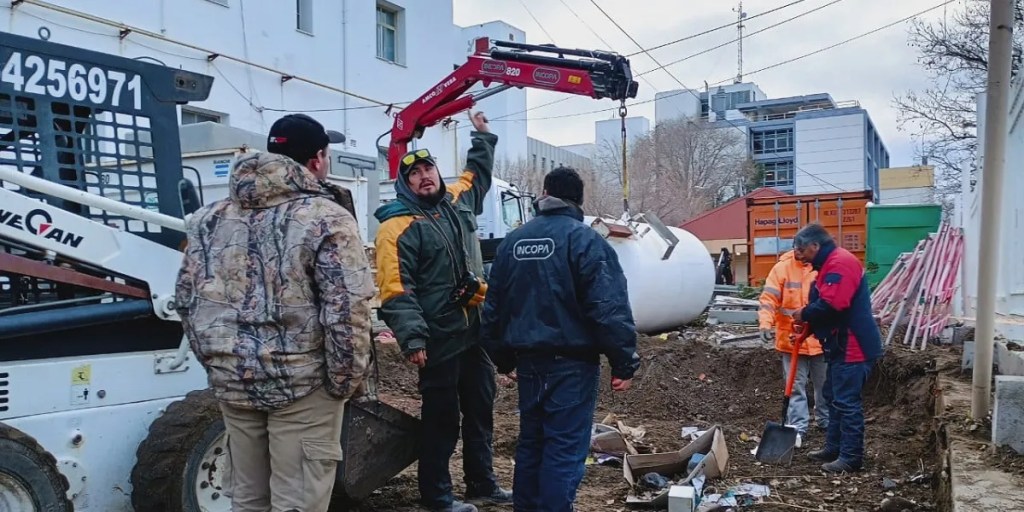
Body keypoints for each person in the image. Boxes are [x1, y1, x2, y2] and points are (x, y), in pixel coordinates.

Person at [174, 113, 374, 511]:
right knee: (297, 502)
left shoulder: (207, 219)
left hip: (235, 384)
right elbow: (346, 309)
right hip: (304, 387)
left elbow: (186, 299)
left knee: (247, 500)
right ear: (318, 159)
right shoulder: (327, 217)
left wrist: (219, 364)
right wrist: (344, 383)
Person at [373, 111, 512, 512]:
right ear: (405, 183)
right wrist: (413, 337)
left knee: (481, 411)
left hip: (473, 331)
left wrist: (483, 136)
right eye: (414, 174)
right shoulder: (396, 227)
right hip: (437, 340)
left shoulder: (455, 201)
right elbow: (396, 288)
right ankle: (437, 497)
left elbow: (477, 174)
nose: (424, 176)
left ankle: (482, 483)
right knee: (441, 420)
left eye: (428, 168)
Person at [481, 166, 641, 512]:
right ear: (578, 200)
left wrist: (503, 359)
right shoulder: (585, 241)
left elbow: (493, 309)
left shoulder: (513, 242)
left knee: (532, 443)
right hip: (572, 365)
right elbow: (608, 307)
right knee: (564, 448)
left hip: (529, 364)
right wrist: (623, 363)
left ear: (544, 194)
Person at [791, 223, 883, 473]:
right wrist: (807, 330)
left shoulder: (840, 263)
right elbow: (827, 308)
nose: (799, 256)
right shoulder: (827, 265)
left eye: (802, 250)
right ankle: (833, 448)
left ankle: (851, 457)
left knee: (846, 401)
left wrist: (804, 313)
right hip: (839, 345)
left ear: (815, 245)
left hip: (853, 345)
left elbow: (834, 305)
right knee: (833, 397)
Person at [758, 249, 830, 447]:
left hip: (819, 340)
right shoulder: (782, 268)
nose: (799, 252)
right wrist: (765, 323)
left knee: (824, 384)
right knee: (796, 386)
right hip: (792, 341)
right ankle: (797, 427)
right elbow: (768, 299)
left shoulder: (822, 266)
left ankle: (825, 420)